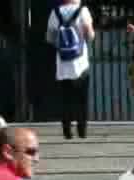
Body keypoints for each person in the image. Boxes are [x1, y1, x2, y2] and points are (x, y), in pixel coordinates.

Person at [46, 0, 96, 141]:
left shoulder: (55, 12)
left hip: (62, 64)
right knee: (82, 99)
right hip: (81, 63)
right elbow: (90, 35)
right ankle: (82, 130)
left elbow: (49, 37)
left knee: (65, 99)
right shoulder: (83, 11)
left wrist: (62, 43)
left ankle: (67, 131)